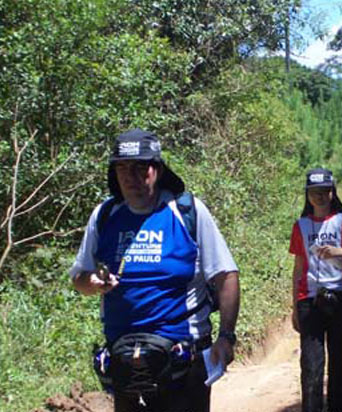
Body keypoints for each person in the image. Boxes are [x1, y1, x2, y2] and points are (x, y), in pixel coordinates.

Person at [69, 128, 240, 412]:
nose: (131, 177)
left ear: (157, 170)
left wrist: (226, 336)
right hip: (125, 361)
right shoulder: (105, 216)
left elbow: (225, 275)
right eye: (123, 168)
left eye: (140, 168)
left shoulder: (187, 212)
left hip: (184, 360)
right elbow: (79, 278)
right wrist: (94, 282)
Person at [289, 168, 342, 412]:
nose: (319, 196)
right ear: (308, 194)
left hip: (341, 300)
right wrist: (294, 308)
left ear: (332, 193)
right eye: (314, 192)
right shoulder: (300, 226)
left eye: (324, 191)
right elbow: (298, 269)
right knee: (311, 368)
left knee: (339, 365)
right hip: (309, 302)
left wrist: (341, 252)